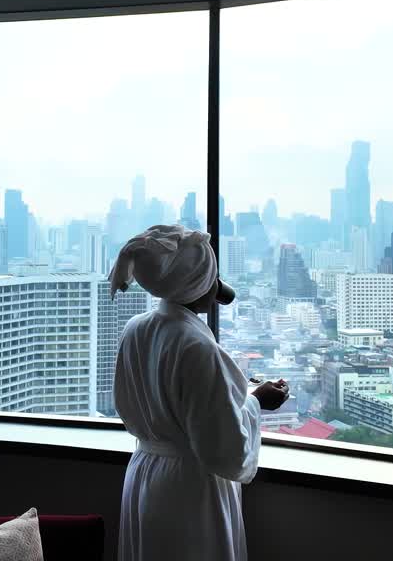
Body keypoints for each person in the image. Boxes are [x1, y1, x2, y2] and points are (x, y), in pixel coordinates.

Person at [110, 225, 289, 561]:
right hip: (188, 490)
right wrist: (255, 401)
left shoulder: (136, 328)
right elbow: (225, 449)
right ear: (198, 284)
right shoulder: (197, 346)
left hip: (145, 475)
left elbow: (165, 401)